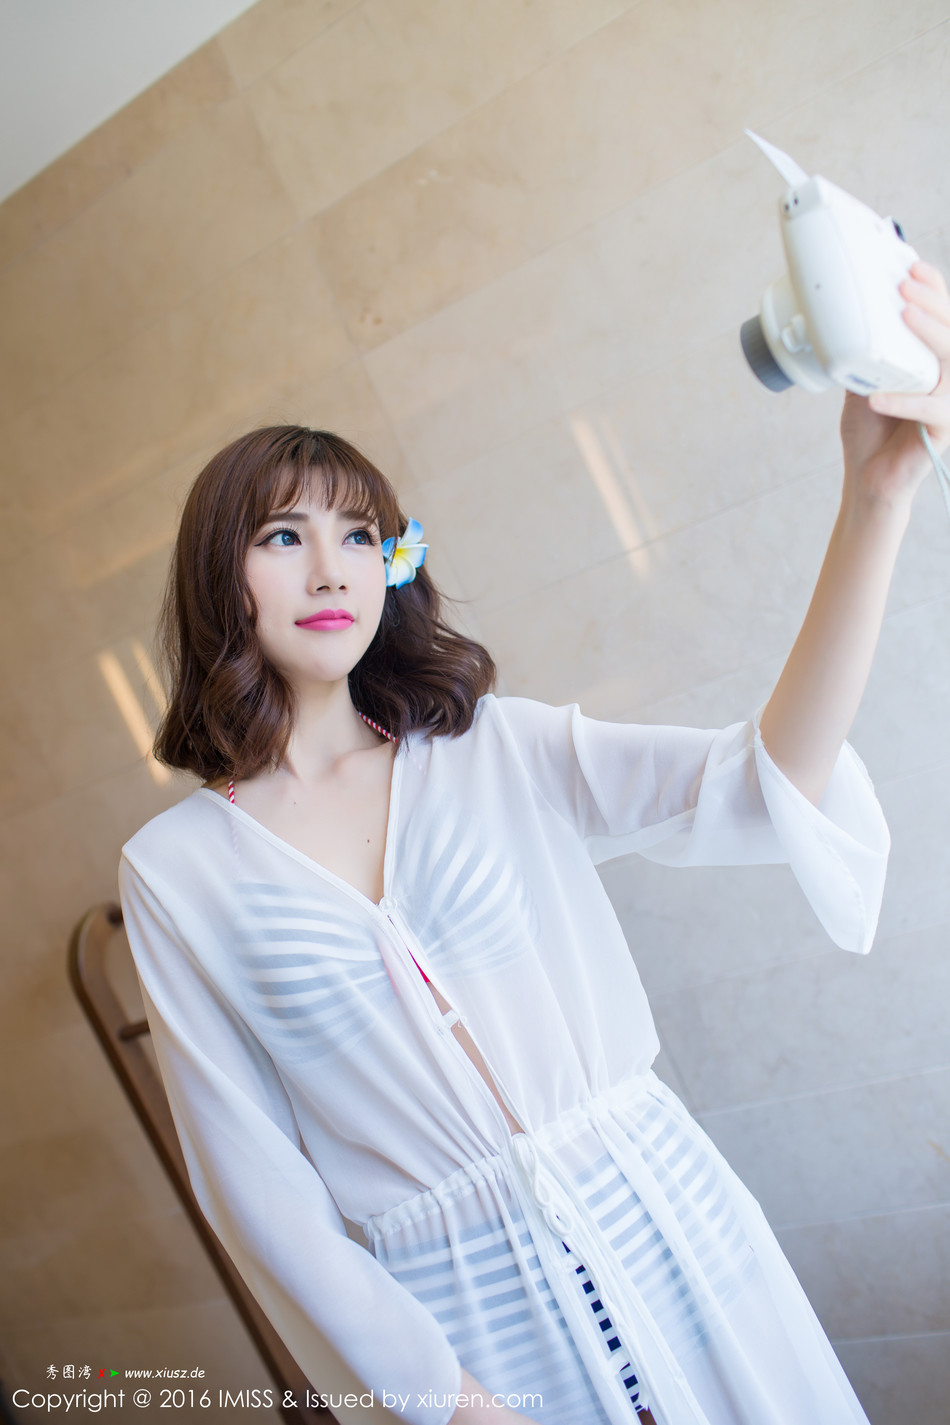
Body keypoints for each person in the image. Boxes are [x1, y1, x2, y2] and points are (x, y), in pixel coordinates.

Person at [118, 261, 950, 1425]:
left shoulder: (493, 749)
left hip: (681, 1240)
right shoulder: (176, 872)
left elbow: (766, 785)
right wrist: (453, 1404)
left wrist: (873, 497)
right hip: (478, 1339)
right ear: (223, 573)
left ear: (390, 564)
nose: (329, 567)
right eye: (282, 534)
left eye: (358, 534)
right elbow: (256, 1193)